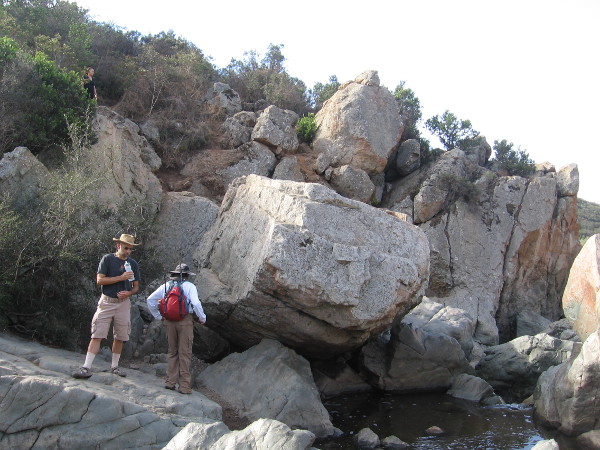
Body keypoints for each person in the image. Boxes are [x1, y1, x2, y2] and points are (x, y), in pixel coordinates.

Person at [72, 234, 140, 379]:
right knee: (98, 333)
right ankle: (86, 366)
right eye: (126, 248)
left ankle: (114, 367)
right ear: (118, 246)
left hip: (123, 304)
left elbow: (136, 287)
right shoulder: (108, 259)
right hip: (107, 301)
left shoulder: (133, 264)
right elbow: (100, 280)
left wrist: (128, 293)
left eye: (130, 249)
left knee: (120, 336)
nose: (128, 251)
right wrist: (120, 278)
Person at [146, 263, 206, 394]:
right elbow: (196, 303)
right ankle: (184, 386)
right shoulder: (190, 286)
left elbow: (150, 300)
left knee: (172, 351)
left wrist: (158, 317)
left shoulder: (166, 286)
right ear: (186, 276)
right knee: (185, 353)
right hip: (185, 321)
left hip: (169, 322)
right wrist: (202, 318)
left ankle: (170, 382)